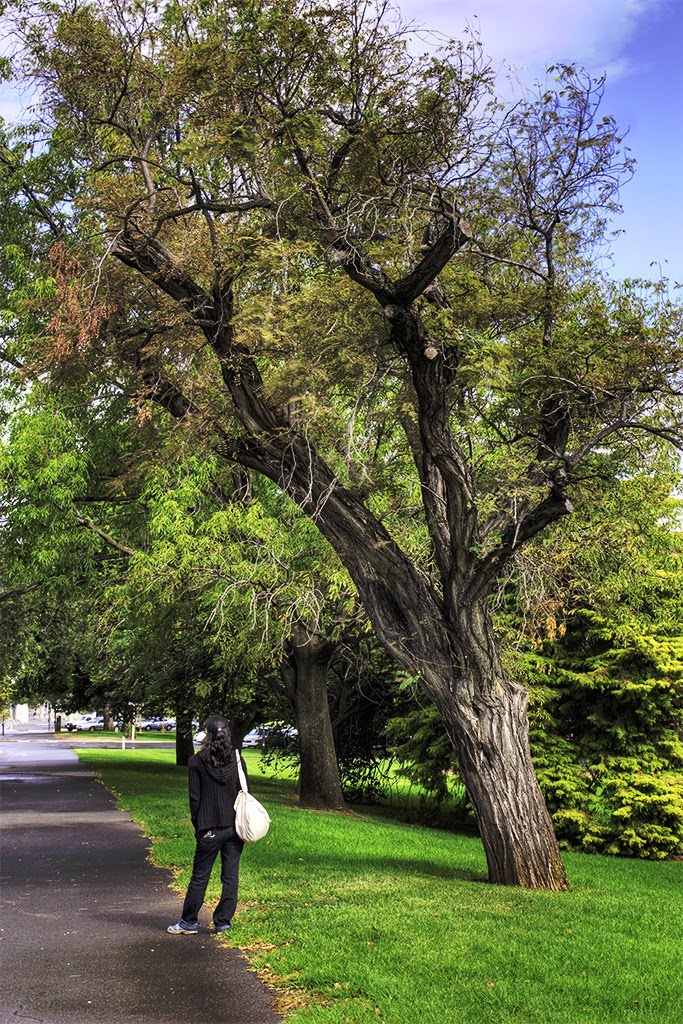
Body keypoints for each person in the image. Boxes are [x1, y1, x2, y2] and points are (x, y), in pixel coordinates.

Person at [168, 715, 246, 935]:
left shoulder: (196, 762)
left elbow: (195, 799)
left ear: (207, 735)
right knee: (230, 876)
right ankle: (223, 922)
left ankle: (188, 922)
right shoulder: (238, 761)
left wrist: (198, 826)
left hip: (209, 828)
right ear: (228, 734)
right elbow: (246, 792)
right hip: (234, 828)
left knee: (200, 876)